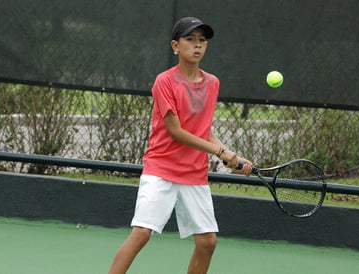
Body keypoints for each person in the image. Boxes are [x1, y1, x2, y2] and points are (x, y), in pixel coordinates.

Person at [108, 17, 253, 274]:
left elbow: (203, 129)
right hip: (161, 168)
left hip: (194, 174)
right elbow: (176, 131)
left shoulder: (212, 83)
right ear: (175, 45)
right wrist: (222, 152)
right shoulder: (164, 82)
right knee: (141, 233)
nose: (197, 45)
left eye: (202, 41)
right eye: (190, 39)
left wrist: (232, 155)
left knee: (207, 242)